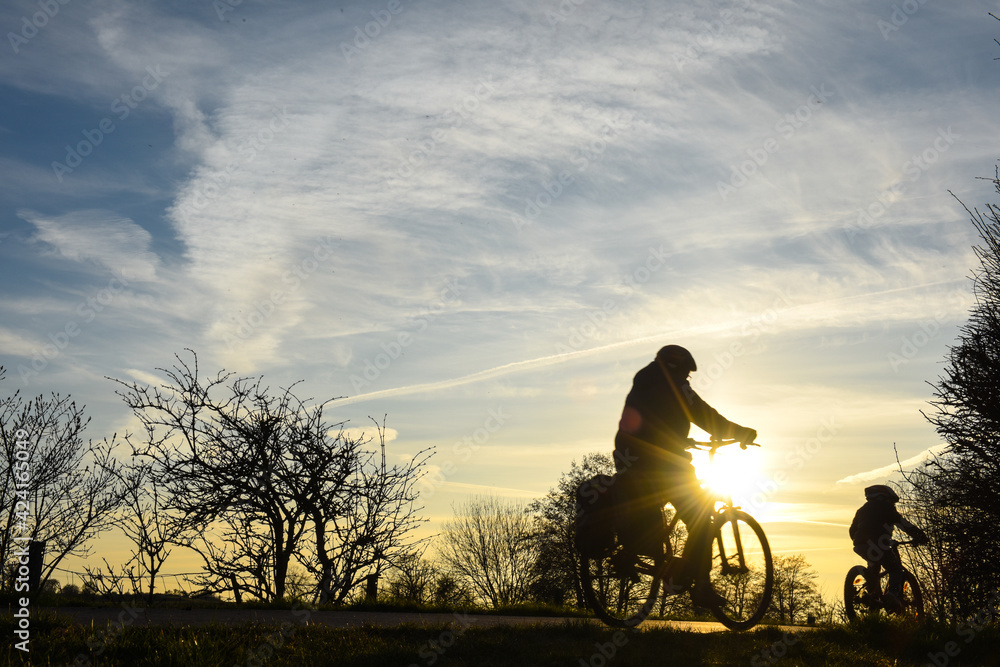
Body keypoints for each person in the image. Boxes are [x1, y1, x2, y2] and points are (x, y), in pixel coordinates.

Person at [613, 344, 757, 608]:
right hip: (664, 463)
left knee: (648, 509)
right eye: (686, 374)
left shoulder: (645, 379)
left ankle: (634, 552)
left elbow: (653, 419)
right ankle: (700, 586)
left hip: (629, 456)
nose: (687, 379)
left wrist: (680, 439)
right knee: (702, 516)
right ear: (676, 368)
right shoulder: (673, 384)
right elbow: (701, 412)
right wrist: (739, 432)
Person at [849, 484, 928, 612]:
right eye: (890, 501)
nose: (892, 504)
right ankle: (892, 594)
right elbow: (903, 524)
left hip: (860, 545)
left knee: (873, 567)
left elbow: (852, 530)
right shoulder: (886, 508)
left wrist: (859, 541)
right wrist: (920, 536)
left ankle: (872, 596)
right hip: (879, 545)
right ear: (884, 498)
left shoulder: (861, 510)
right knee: (895, 568)